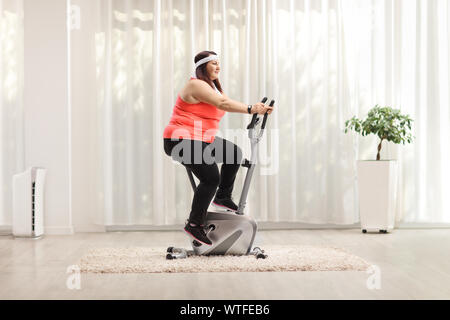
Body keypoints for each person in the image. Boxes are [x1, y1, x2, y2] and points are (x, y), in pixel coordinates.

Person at [163, 50, 273, 245]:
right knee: (211, 177)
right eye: (213, 63)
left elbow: (223, 101)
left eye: (218, 63)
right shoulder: (195, 85)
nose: (218, 67)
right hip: (181, 139)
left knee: (234, 154)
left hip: (202, 139)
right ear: (202, 66)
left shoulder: (214, 88)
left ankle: (222, 196)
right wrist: (250, 109)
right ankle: (194, 224)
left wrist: (259, 110)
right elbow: (223, 104)